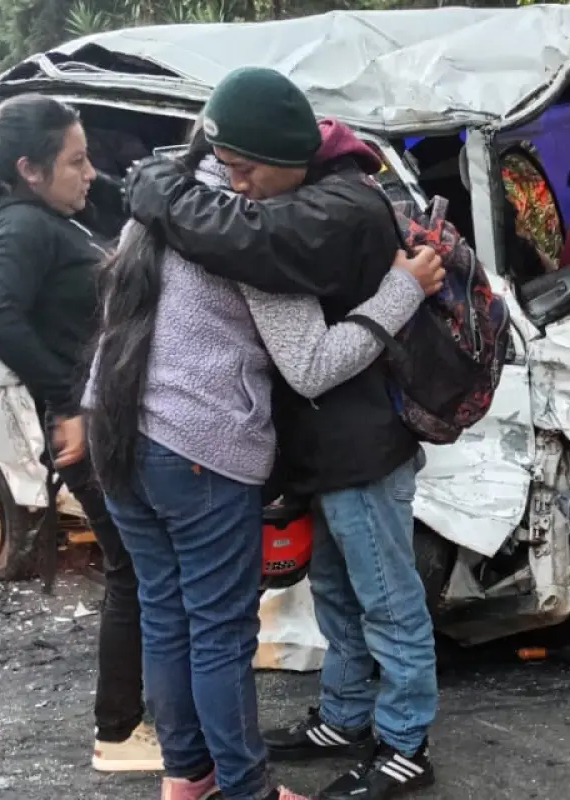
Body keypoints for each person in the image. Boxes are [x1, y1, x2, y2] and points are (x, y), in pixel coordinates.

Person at [124, 66, 439, 800]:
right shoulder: (291, 190)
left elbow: (260, 262)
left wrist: (161, 191)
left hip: (360, 443)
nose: (237, 186)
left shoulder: (336, 206)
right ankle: (345, 713)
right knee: (335, 591)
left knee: (387, 597)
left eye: (243, 169)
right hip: (319, 449)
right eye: (224, 167)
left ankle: (405, 742)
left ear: (285, 152)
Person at [0, 94, 163, 773]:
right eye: (75, 162)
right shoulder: (20, 228)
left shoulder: (52, 218)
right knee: (131, 567)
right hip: (88, 430)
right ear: (28, 168)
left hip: (106, 420)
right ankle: (119, 730)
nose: (87, 172)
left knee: (138, 565)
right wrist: (70, 401)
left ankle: (141, 712)